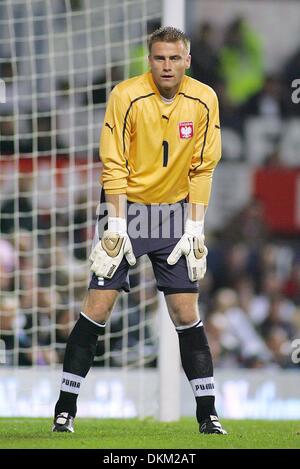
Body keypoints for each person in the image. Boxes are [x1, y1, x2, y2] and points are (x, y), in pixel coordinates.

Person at [52, 26, 227, 435]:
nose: (166, 65)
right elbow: (112, 162)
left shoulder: (205, 99)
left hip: (174, 215)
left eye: (174, 58)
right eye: (159, 58)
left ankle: (208, 415)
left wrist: (196, 228)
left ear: (187, 61)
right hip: (126, 210)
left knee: (186, 312)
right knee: (98, 306)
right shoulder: (125, 96)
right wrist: (114, 225)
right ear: (150, 61)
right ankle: (64, 410)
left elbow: (204, 167)